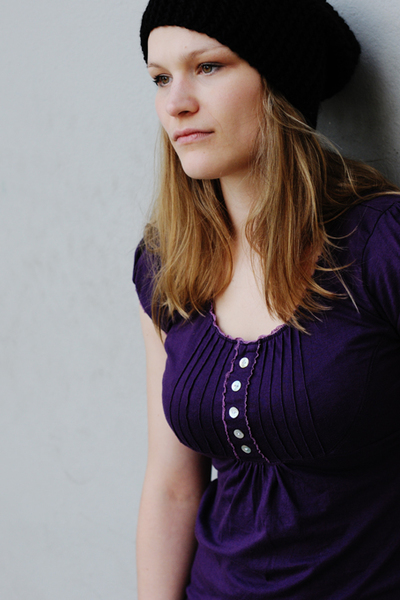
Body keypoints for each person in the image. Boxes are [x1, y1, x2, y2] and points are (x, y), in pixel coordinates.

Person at [133, 0, 400, 598]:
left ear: (280, 84)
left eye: (208, 67)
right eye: (160, 78)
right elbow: (173, 485)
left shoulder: (382, 245)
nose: (176, 103)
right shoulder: (167, 266)